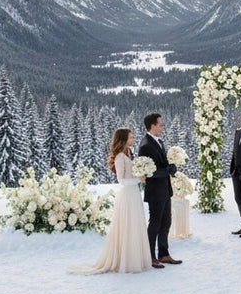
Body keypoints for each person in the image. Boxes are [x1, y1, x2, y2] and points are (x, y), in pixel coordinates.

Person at [68, 128, 153, 274]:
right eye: (131, 138)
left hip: (134, 194)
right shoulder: (120, 157)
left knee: (135, 225)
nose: (133, 140)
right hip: (127, 195)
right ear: (123, 139)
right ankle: (126, 261)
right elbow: (121, 180)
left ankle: (135, 259)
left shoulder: (129, 153)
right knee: (128, 226)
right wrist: (138, 179)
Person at [140, 112, 182, 264]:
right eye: (160, 124)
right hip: (155, 191)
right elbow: (148, 172)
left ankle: (164, 254)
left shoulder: (159, 142)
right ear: (152, 126)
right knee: (155, 223)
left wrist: (171, 165)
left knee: (166, 222)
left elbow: (161, 163)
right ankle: (150, 256)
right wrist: (167, 170)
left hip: (164, 189)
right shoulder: (145, 145)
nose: (162, 127)